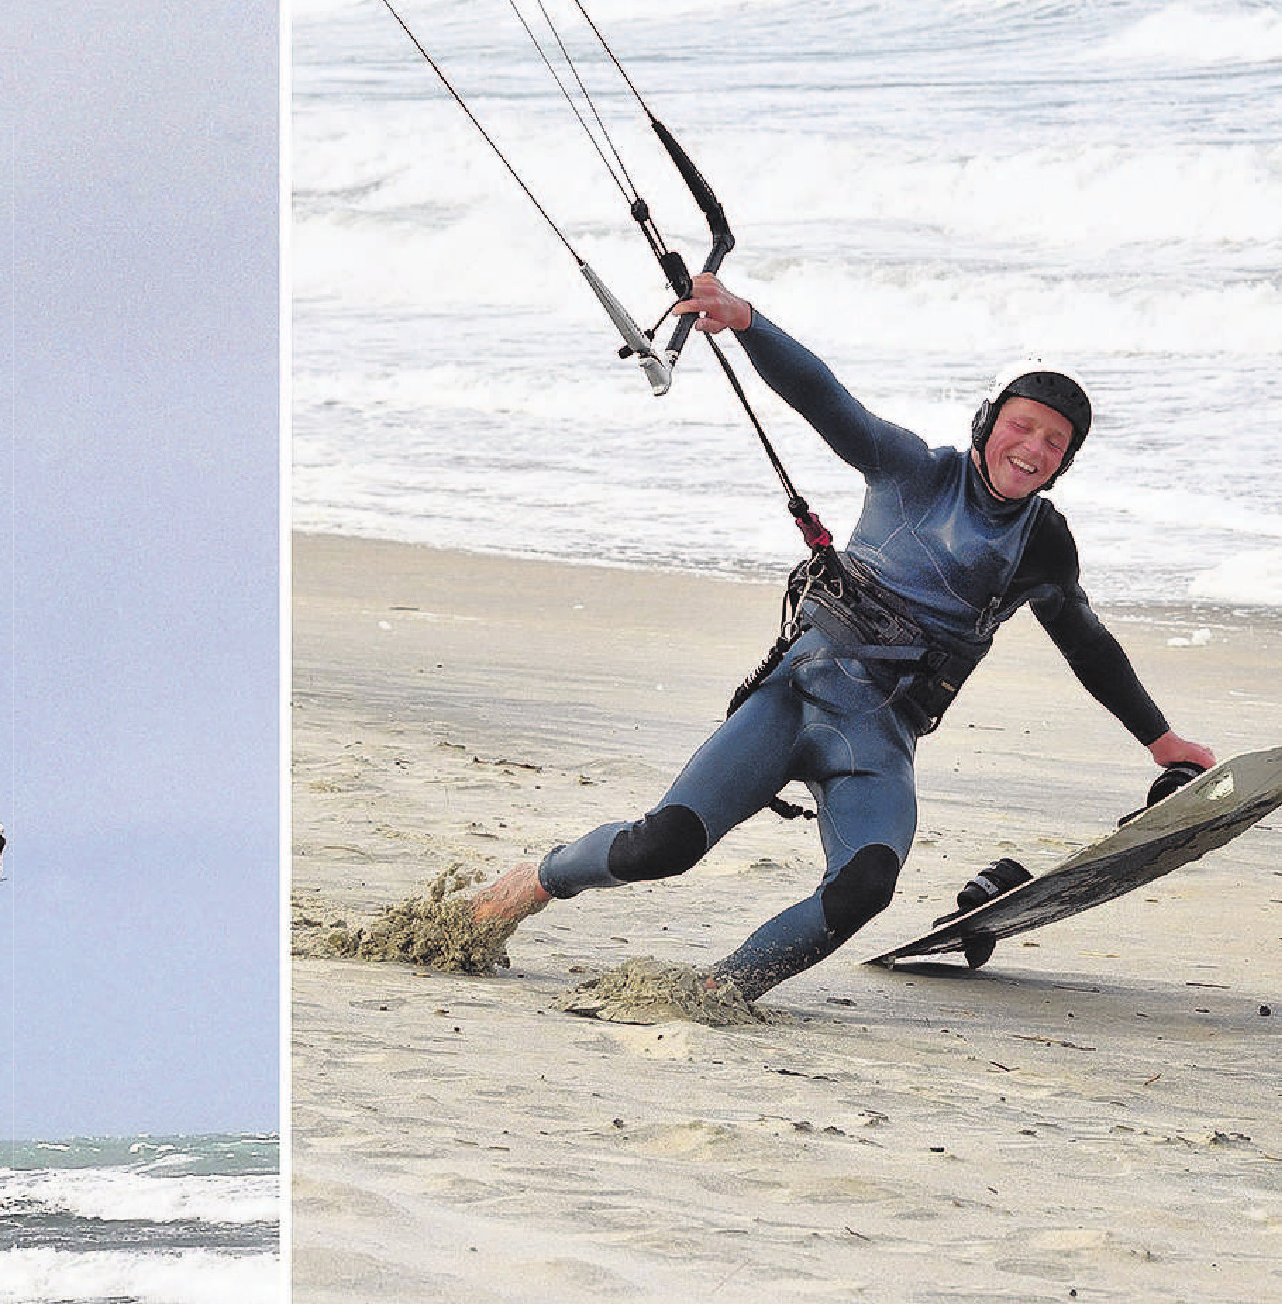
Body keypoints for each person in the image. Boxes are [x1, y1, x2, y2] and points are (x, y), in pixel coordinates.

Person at [468, 273, 1215, 999]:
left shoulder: (1043, 545)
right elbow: (828, 401)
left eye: (1055, 441)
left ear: (1064, 462)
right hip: (796, 696)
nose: (1033, 447)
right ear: (989, 422)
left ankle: (719, 989)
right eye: (1022, 424)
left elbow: (1088, 646)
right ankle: (535, 880)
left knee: (865, 886)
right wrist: (746, 320)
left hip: (881, 737)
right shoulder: (911, 470)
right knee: (662, 847)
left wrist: (1161, 741)